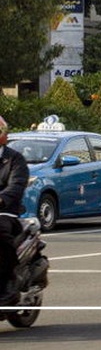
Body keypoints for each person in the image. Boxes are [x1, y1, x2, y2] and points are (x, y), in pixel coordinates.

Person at [1, 115, 29, 306]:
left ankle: (8, 280)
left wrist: (2, 198)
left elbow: (17, 185)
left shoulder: (14, 159)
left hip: (5, 212)